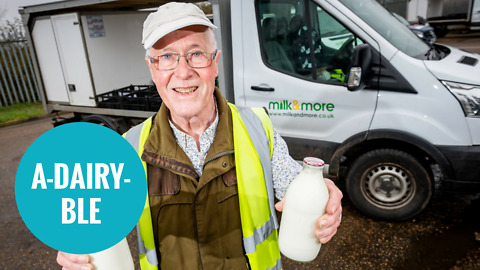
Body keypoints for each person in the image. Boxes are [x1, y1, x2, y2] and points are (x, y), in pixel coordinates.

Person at [57, 2, 342, 269]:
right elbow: (92, 219)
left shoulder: (258, 129)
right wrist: (75, 247)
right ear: (152, 70)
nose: (183, 72)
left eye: (196, 54)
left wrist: (324, 195)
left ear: (215, 63)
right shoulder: (128, 149)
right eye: (166, 57)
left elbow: (298, 191)